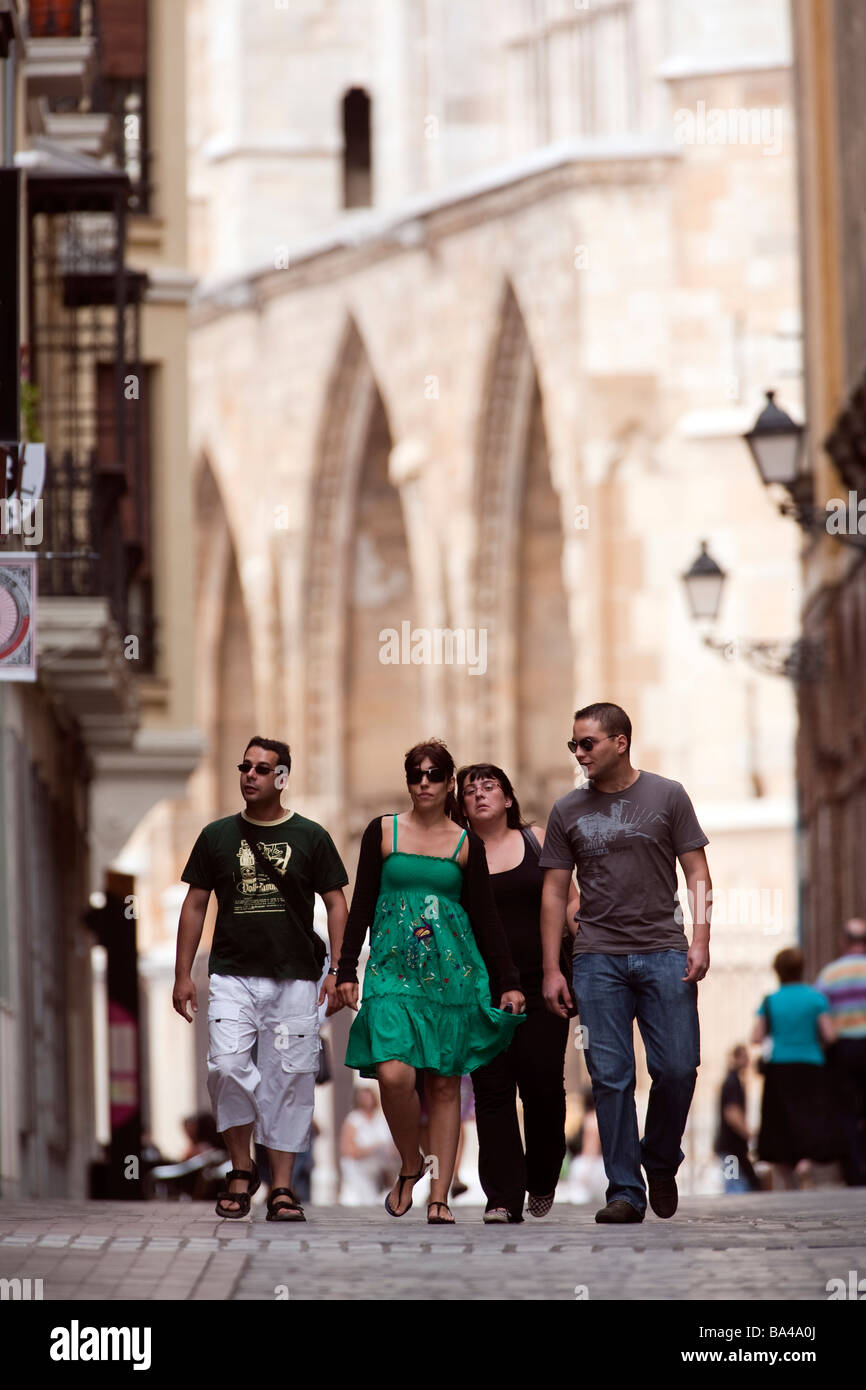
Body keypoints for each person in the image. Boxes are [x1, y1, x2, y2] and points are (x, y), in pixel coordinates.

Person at [336, 738, 526, 1225]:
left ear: (448, 784)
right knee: (395, 1074)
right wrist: (344, 969)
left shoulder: (467, 844)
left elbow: (485, 918)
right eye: (416, 775)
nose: (424, 783)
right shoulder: (383, 831)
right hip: (391, 973)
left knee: (444, 1087)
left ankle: (439, 1195)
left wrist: (508, 979)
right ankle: (410, 1161)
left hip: (450, 977)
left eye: (434, 775)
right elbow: (361, 903)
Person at [540, 702, 712, 1224]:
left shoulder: (668, 795)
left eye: (587, 743)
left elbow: (697, 873)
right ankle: (624, 1190)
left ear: (620, 742)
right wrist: (553, 968)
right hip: (597, 959)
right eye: (573, 744)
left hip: (665, 950)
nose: (578, 753)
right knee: (610, 1077)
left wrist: (700, 939)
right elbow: (552, 894)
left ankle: (659, 1160)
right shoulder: (566, 809)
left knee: (678, 1068)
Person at [172, 736, 349, 1222]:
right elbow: (195, 903)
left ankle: (283, 1188)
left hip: (296, 978)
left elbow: (336, 902)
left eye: (262, 769)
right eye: (245, 766)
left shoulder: (311, 836)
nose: (250, 775)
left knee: (289, 1078)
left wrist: (338, 970)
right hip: (231, 975)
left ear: (282, 778)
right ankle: (241, 1166)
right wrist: (182, 973)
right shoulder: (216, 836)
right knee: (226, 1065)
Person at [457, 762, 579, 1223]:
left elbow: (568, 898)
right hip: (481, 989)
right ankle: (503, 1197)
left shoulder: (536, 838)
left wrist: (582, 949)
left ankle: (543, 1175)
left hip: (541, 979)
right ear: (462, 805)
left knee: (545, 1085)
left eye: (490, 787)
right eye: (470, 791)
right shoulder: (460, 852)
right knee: (492, 1092)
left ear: (508, 798)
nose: (480, 795)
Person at [752, 946, 840, 1189]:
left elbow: (757, 1037)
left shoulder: (771, 1001)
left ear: (778, 971)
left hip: (780, 1066)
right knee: (809, 1116)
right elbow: (830, 1035)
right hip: (811, 1065)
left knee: (781, 1121)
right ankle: (805, 1164)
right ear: (801, 969)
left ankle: (786, 1173)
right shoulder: (815, 998)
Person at [815, 917, 866, 1186]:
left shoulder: (830, 975)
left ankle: (854, 1174)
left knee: (846, 1112)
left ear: (844, 942)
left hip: (844, 1050)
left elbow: (819, 1014)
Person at [340, 1087, 398, 1205]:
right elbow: (347, 1150)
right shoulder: (354, 1119)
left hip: (379, 1170)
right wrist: (373, 1149)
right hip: (357, 1172)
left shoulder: (381, 1118)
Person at [714, 1045, 760, 1193]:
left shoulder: (734, 1081)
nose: (747, 1061)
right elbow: (732, 1113)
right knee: (734, 1186)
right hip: (730, 1147)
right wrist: (749, 1134)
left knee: (737, 1183)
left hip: (734, 1147)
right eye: (743, 1057)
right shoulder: (732, 1082)